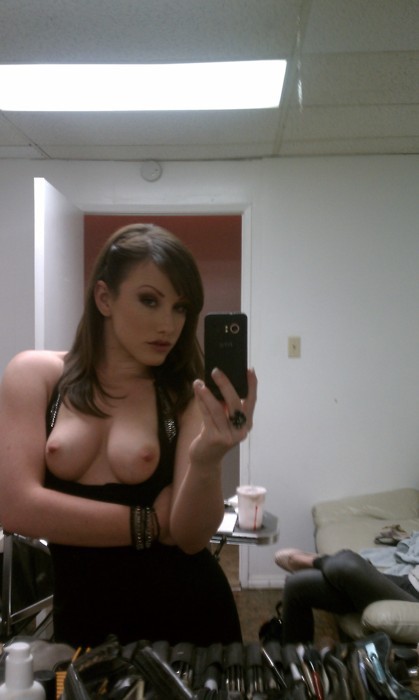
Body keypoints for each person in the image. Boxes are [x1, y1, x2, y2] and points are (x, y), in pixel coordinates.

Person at [0, 223, 257, 648]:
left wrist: (207, 459)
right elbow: (16, 507)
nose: (168, 324)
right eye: (149, 300)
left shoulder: (183, 394)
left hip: (186, 623)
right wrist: (148, 523)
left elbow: (190, 537)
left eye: (180, 308)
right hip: (82, 620)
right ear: (104, 298)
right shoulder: (36, 375)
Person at [274, 547, 419, 643]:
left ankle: (319, 561)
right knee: (296, 584)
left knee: (347, 565)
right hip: (410, 580)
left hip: (414, 603)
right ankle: (295, 670)